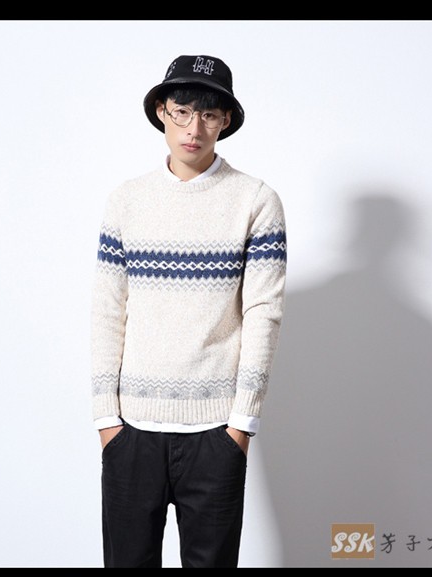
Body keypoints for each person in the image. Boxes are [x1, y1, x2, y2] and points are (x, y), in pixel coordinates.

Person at [90, 54, 287, 568]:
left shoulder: (256, 201)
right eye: (181, 111)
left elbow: (263, 313)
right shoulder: (126, 201)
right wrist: (106, 419)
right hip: (131, 432)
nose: (193, 129)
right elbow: (108, 310)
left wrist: (241, 425)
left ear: (225, 120)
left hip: (216, 433)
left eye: (208, 115)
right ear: (161, 111)